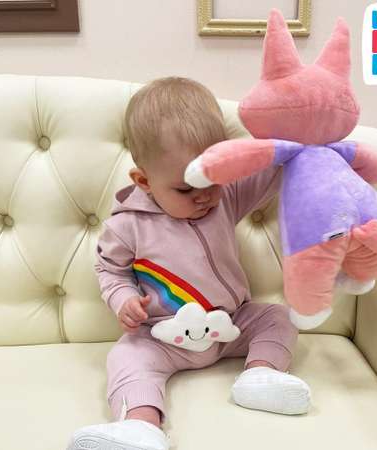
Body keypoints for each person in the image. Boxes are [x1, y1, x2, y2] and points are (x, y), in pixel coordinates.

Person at [67, 77, 311, 450]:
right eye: (185, 188)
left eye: (212, 180)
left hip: (231, 324)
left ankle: (260, 376)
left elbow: (273, 166)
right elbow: (110, 270)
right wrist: (123, 300)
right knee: (125, 356)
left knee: (278, 317)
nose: (203, 197)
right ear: (144, 180)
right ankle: (140, 426)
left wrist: (300, 132)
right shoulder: (127, 225)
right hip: (162, 336)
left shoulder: (226, 197)